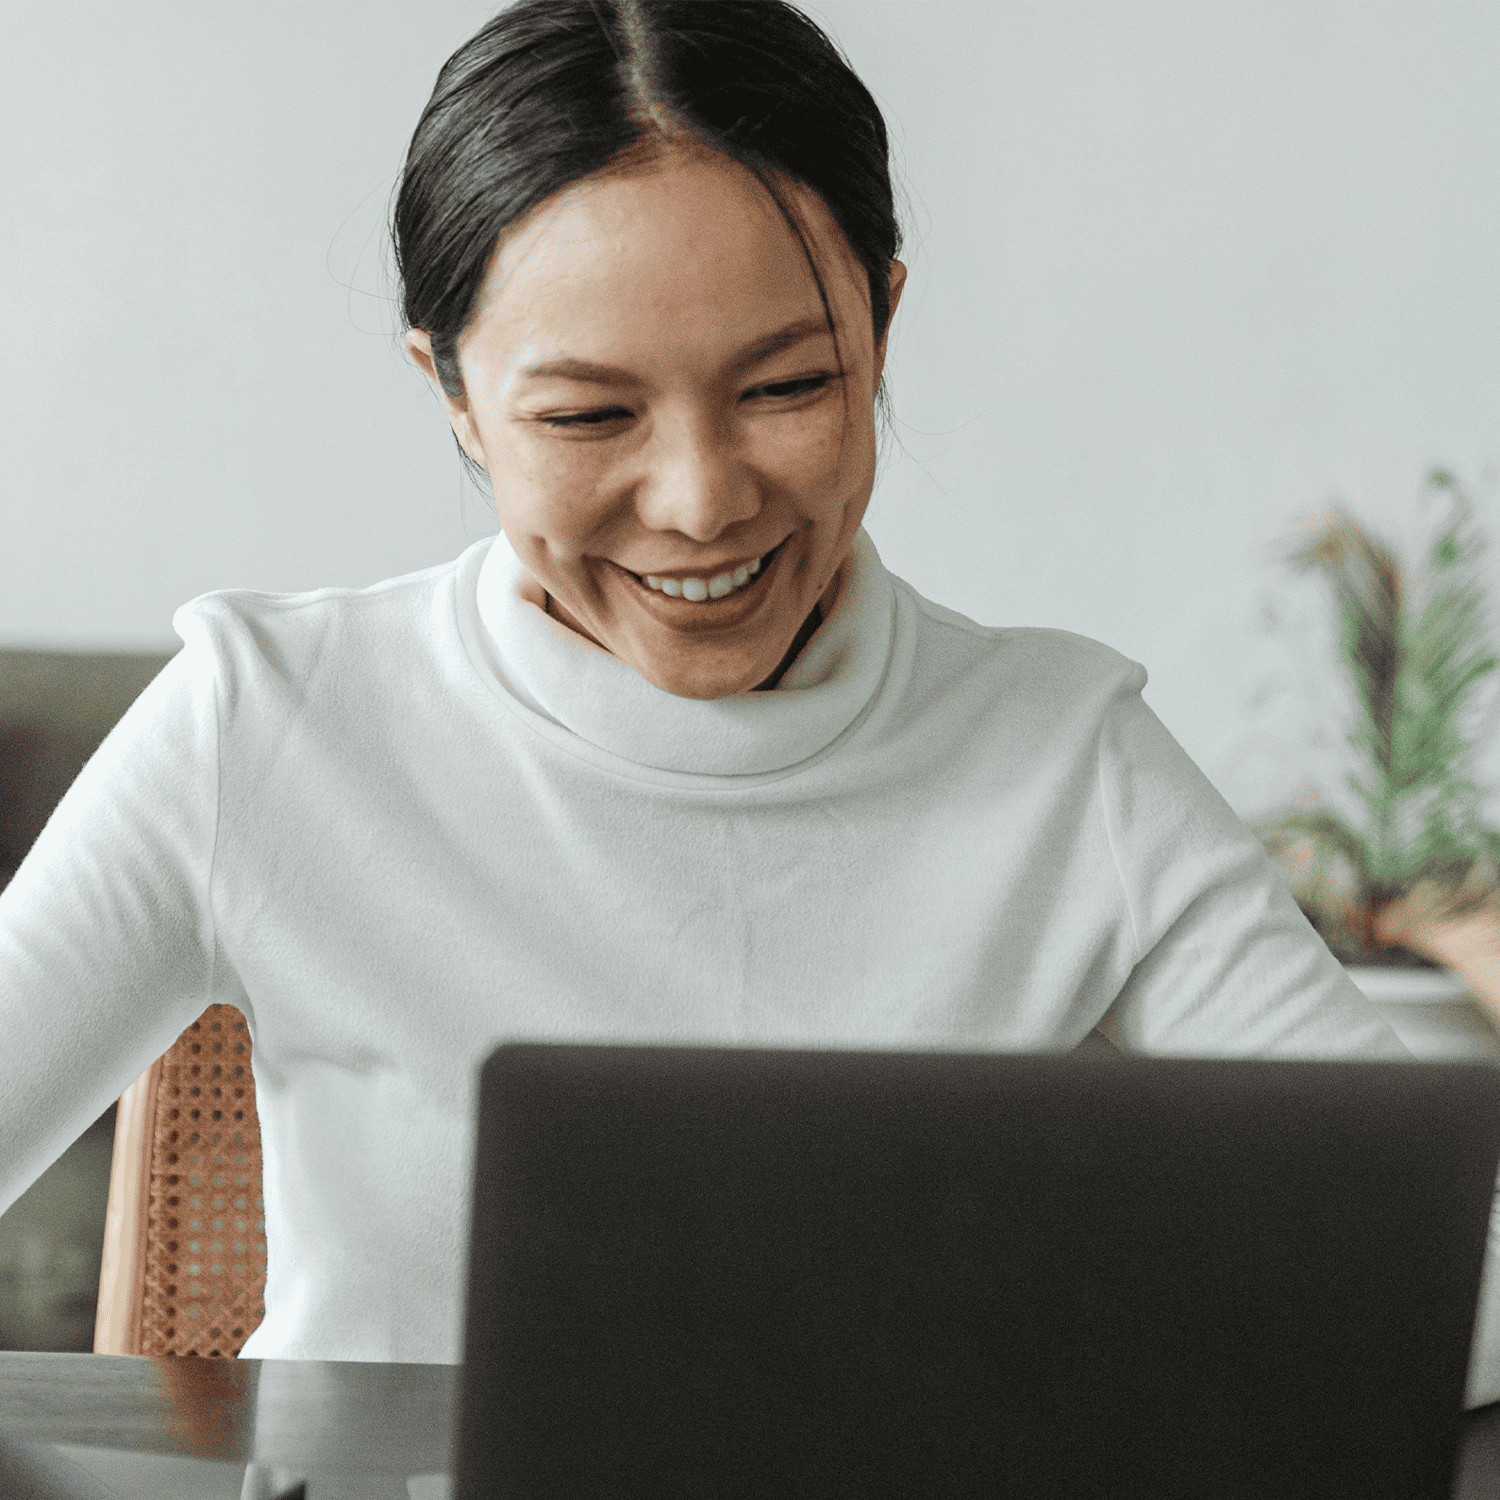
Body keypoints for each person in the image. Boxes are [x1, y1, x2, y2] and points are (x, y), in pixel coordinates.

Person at [2, 0, 1497, 1402]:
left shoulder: (1063, 762)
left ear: (883, 330)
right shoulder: (265, 724)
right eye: (589, 415)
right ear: (453, 394)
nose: (703, 502)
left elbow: (1447, 1273)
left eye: (787, 387)